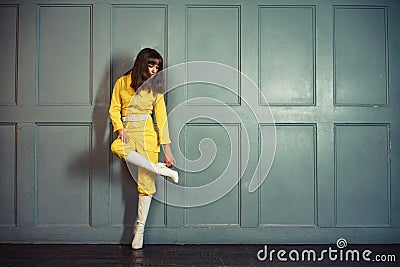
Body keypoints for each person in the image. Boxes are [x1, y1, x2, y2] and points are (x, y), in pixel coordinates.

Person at [109, 48, 178, 249]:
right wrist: (120, 129)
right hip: (128, 131)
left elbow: (162, 118)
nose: (155, 69)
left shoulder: (156, 87)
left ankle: (139, 231)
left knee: (146, 184)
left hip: (148, 133)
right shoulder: (123, 82)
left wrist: (167, 150)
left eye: (158, 66)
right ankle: (157, 169)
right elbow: (114, 108)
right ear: (141, 62)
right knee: (116, 147)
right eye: (151, 65)